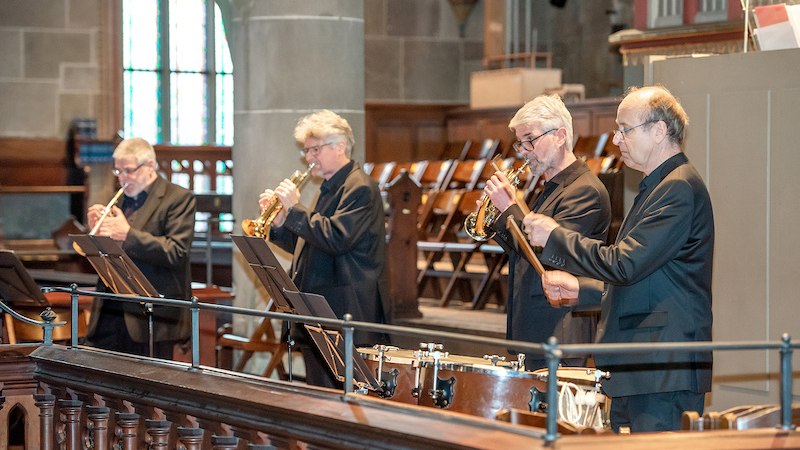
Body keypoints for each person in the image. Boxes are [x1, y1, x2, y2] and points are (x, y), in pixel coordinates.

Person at [523, 85, 714, 432]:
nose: (616, 140)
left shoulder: (678, 187)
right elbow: (644, 279)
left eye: (624, 129)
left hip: (661, 367)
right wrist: (581, 290)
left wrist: (555, 236)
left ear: (658, 131)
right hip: (642, 364)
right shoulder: (657, 185)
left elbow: (623, 264)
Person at [260, 109, 389, 387]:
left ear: (339, 145)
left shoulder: (360, 187)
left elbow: (337, 238)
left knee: (338, 397)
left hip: (345, 309)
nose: (309, 158)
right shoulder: (330, 187)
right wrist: (281, 223)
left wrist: (294, 210)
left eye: (314, 149)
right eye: (307, 151)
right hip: (320, 310)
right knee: (318, 394)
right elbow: (310, 245)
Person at [482, 94, 611, 370]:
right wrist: (498, 217)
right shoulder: (551, 188)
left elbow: (550, 257)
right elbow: (523, 252)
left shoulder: (584, 190)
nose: (524, 150)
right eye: (520, 142)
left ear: (561, 136)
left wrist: (511, 207)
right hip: (534, 327)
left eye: (530, 139)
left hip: (560, 330)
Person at [85, 137, 196, 359]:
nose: (123, 179)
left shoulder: (178, 199)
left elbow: (176, 251)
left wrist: (127, 235)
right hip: (110, 311)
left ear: (150, 166)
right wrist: (95, 236)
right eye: (118, 171)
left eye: (128, 170)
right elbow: (109, 256)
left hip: (151, 316)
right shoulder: (118, 200)